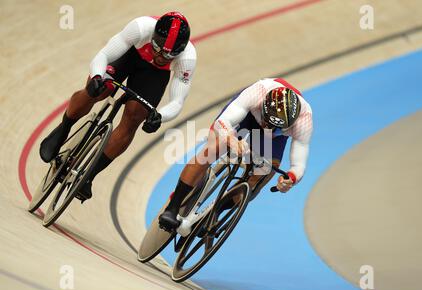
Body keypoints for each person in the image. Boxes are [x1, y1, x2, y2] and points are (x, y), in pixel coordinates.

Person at [39, 12, 196, 201]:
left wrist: (160, 116)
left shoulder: (188, 58)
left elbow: (178, 101)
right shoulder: (140, 28)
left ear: (180, 50)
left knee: (134, 117)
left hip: (153, 75)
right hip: (129, 57)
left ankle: (88, 176)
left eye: (170, 54)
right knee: (99, 90)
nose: (161, 55)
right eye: (157, 47)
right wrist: (97, 76)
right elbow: (104, 55)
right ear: (153, 36)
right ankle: (63, 128)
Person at [159, 77, 313, 231]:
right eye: (268, 123)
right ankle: (173, 206)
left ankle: (214, 213)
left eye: (277, 128)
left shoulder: (304, 120)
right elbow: (222, 122)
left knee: (264, 174)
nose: (270, 128)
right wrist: (231, 140)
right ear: (264, 108)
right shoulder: (258, 91)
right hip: (248, 116)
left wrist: (290, 179)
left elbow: (298, 164)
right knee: (212, 150)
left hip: (271, 140)